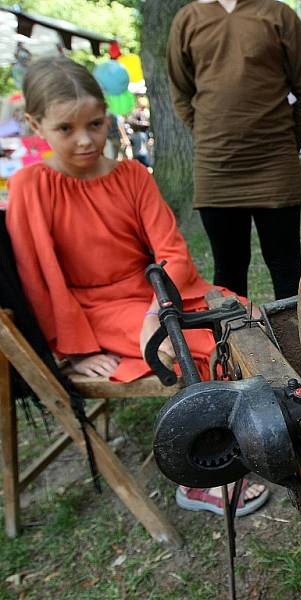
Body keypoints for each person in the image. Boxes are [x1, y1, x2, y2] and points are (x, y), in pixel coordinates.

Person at [6, 55, 268, 516]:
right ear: (35, 124)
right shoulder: (32, 185)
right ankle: (204, 472)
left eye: (95, 123)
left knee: (246, 319)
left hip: (155, 290)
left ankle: (252, 426)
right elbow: (38, 275)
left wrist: (155, 313)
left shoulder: (131, 176)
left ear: (108, 115)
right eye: (66, 129)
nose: (86, 139)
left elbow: (172, 252)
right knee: (190, 349)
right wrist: (75, 347)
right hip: (92, 306)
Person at [167, 0, 301, 299]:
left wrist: (285, 144)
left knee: (286, 267)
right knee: (228, 270)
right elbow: (180, 93)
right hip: (216, 169)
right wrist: (209, 134)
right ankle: (231, 347)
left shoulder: (278, 14)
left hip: (275, 167)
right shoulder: (187, 20)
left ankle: (295, 345)